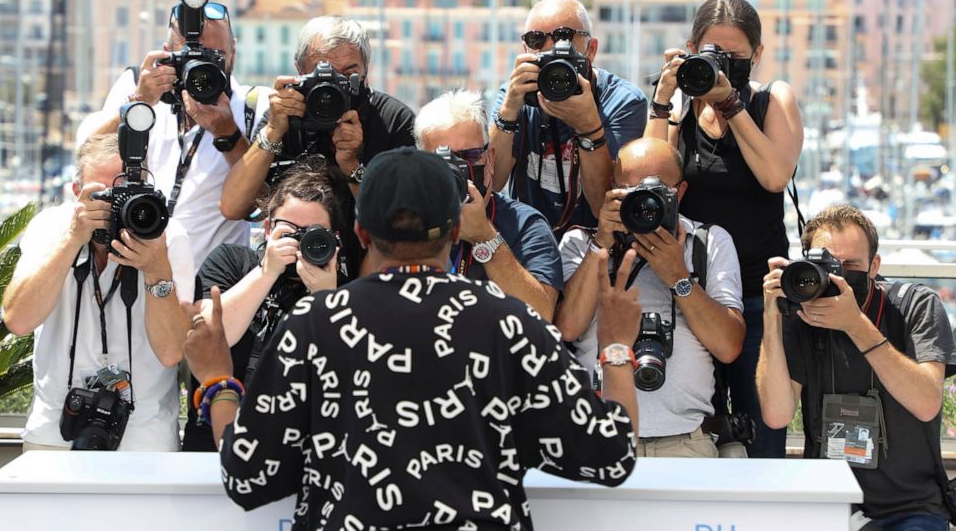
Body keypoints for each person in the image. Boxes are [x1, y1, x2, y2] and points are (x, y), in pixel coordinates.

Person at [182, 147, 640, 529]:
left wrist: (220, 382)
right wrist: (615, 346)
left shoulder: (315, 324)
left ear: (361, 231)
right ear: (457, 230)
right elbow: (611, 454)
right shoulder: (509, 323)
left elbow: (249, 475)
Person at [645, 0, 805, 458]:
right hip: (694, 295)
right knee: (699, 428)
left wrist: (731, 103)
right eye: (713, 53)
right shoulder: (679, 108)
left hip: (759, 296)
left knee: (763, 430)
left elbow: (776, 175)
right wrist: (663, 99)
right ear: (692, 47)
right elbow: (647, 173)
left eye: (735, 57)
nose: (722, 66)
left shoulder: (772, 99)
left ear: (757, 54)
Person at [757, 204, 956, 531]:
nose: (836, 278)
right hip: (827, 503)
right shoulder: (800, 314)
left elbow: (927, 404)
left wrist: (856, 325)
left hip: (909, 506)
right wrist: (771, 314)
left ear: (874, 266)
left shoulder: (915, 306)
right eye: (827, 266)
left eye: (848, 265)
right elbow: (777, 415)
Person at [1, 134, 195, 451]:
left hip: (144, 437)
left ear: (143, 190)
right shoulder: (52, 227)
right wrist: (72, 240)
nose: (113, 207)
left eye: (123, 194)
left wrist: (156, 268)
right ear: (77, 193)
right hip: (56, 430)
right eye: (102, 195)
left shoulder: (168, 237)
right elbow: (18, 320)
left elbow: (172, 351)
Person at [555, 137, 744, 458]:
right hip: (598, 436)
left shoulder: (707, 241)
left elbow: (728, 347)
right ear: (612, 191)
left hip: (686, 440)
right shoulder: (581, 243)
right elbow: (567, 328)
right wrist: (601, 243)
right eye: (630, 192)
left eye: (655, 192)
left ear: (680, 192)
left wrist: (678, 276)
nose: (643, 204)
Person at [221, 15, 416, 278]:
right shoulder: (285, 117)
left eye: (349, 75)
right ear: (299, 72)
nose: (334, 88)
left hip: (368, 283)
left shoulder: (393, 120)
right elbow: (233, 206)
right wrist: (272, 132)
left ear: (366, 71)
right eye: (322, 75)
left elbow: (401, 224)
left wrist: (353, 166)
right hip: (291, 279)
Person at [89, 0, 269, 269]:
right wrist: (141, 101)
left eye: (215, 55)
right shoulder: (136, 87)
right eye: (189, 56)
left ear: (233, 50)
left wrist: (228, 134)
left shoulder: (253, 106)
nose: (201, 68)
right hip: (132, 275)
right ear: (167, 53)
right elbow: (89, 158)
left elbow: (261, 204)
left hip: (209, 285)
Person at [180, 167, 343, 451]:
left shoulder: (342, 292)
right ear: (268, 228)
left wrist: (326, 298)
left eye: (313, 234)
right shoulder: (231, 262)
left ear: (334, 239)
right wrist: (266, 273)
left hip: (292, 450)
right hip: (209, 444)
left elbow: (344, 376)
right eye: (289, 232)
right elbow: (208, 338)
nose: (299, 242)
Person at [489, 0, 648, 234]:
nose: (551, 50)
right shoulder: (516, 95)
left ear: (591, 50)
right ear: (525, 50)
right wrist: (509, 110)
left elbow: (601, 206)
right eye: (536, 39)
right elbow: (494, 181)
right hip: (532, 240)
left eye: (564, 38)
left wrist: (589, 126)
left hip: (597, 243)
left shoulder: (622, 102)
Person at [414, 89, 563, 320]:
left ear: (490, 159)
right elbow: (375, 304)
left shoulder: (525, 225)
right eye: (443, 160)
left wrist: (485, 237)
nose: (458, 170)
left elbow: (541, 316)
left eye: (470, 156)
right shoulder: (406, 221)